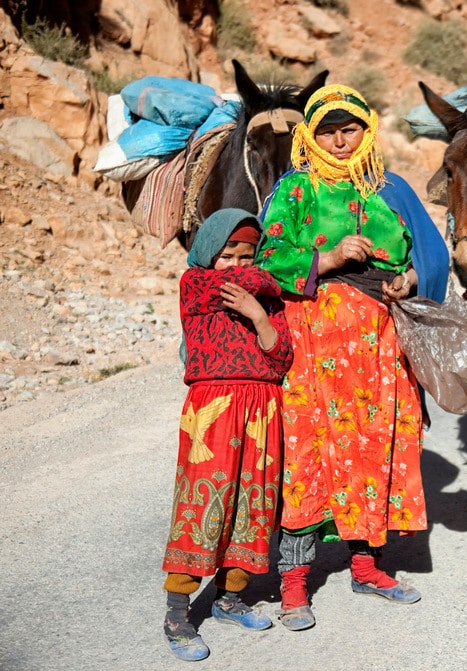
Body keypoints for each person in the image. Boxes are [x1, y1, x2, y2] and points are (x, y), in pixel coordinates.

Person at [256, 84, 450, 628]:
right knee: (308, 452)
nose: (340, 142)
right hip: (315, 347)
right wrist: (328, 256)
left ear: (366, 131)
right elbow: (267, 260)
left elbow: (428, 255)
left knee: (375, 447)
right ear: (309, 136)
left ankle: (367, 565)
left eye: (350, 130)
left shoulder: (389, 188)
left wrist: (409, 280)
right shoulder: (296, 190)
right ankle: (293, 583)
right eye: (328, 132)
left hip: (381, 346)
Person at [161, 208, 294, 661]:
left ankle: (229, 596)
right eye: (227, 255)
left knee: (253, 507)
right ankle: (178, 612)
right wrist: (268, 280)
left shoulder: (266, 303)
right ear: (206, 253)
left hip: (263, 409)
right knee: (204, 504)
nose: (237, 266)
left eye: (247, 255)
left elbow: (281, 359)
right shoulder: (194, 284)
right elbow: (253, 282)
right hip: (215, 409)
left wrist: (260, 317)